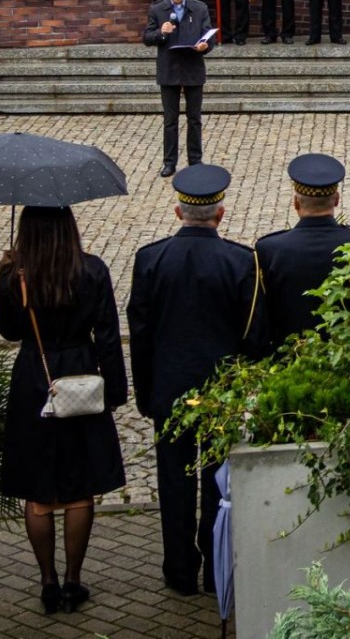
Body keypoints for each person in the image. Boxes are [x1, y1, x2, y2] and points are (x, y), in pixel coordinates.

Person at [127, 165, 264, 599]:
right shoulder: (242, 261)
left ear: (177, 211)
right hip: (222, 393)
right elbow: (253, 335)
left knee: (173, 482)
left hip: (168, 388)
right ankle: (216, 564)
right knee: (219, 481)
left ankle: (180, 569)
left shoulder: (150, 259)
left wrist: (146, 392)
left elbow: (140, 332)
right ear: (220, 215)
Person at [0, 206, 128, 616]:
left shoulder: (15, 273)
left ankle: (47, 581)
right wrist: (116, 390)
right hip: (80, 375)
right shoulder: (90, 270)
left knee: (39, 490)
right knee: (79, 483)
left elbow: (9, 330)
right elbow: (107, 332)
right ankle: (73, 579)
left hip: (36, 374)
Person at [254, 154, 350, 346]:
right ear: (336, 200)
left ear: (296, 203)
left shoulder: (269, 248)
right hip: (348, 352)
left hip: (289, 354)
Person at [143, 0, 212, 179]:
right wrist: (161, 33)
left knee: (194, 118)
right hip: (169, 68)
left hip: (192, 67)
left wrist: (204, 46)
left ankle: (195, 160)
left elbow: (209, 35)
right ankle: (169, 162)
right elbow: (147, 37)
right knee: (170, 119)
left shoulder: (199, 9)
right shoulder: (158, 9)